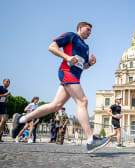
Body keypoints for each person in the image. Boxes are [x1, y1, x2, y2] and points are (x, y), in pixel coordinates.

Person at [12, 22, 110, 153]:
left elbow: (82, 65)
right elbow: (52, 47)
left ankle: (21, 119)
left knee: (55, 105)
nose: (89, 33)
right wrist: (67, 57)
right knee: (83, 101)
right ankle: (90, 140)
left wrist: (90, 64)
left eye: (90, 32)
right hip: (66, 72)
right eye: (87, 30)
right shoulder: (71, 36)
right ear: (80, 28)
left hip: (75, 76)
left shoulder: (86, 46)